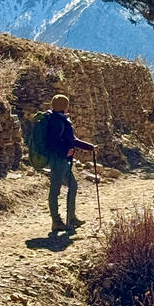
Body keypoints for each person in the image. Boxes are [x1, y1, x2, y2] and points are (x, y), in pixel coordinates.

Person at [45, 94, 96, 234]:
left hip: (63, 160)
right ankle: (57, 222)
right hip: (58, 160)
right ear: (64, 105)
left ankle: (70, 218)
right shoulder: (56, 121)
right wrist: (65, 151)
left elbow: (72, 140)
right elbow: (52, 142)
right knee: (55, 190)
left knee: (72, 186)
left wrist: (89, 147)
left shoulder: (60, 119)